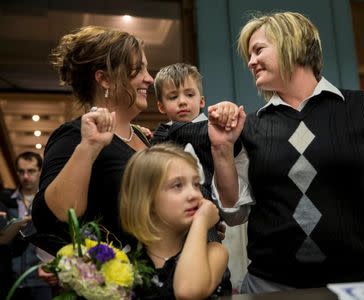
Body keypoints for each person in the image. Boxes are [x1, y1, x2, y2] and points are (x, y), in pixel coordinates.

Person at [208, 11, 364, 293]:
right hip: (271, 287)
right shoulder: (250, 127)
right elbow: (234, 215)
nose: (250, 62)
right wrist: (222, 149)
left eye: (258, 50)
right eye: (249, 55)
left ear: (290, 44)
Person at [31, 26, 153, 255]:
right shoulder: (74, 136)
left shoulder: (145, 138)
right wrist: (89, 147)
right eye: (138, 70)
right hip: (118, 279)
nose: (150, 79)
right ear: (104, 79)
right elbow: (52, 216)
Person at [152, 63, 248, 292]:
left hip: (209, 211)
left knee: (208, 264)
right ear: (160, 106)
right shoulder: (159, 136)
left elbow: (234, 152)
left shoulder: (214, 129)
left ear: (202, 101)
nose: (182, 101)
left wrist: (227, 112)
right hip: (168, 220)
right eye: (173, 97)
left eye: (189, 94)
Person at [119, 143, 229, 299]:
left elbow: (187, 292)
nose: (195, 195)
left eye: (196, 184)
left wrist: (201, 222)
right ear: (147, 200)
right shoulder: (122, 260)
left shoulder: (214, 252)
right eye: (178, 185)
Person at [0, 151, 52, 299]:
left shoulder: (48, 200)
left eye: (31, 171)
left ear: (40, 171)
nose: (26, 176)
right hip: (11, 278)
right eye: (21, 171)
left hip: (41, 276)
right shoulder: (4, 201)